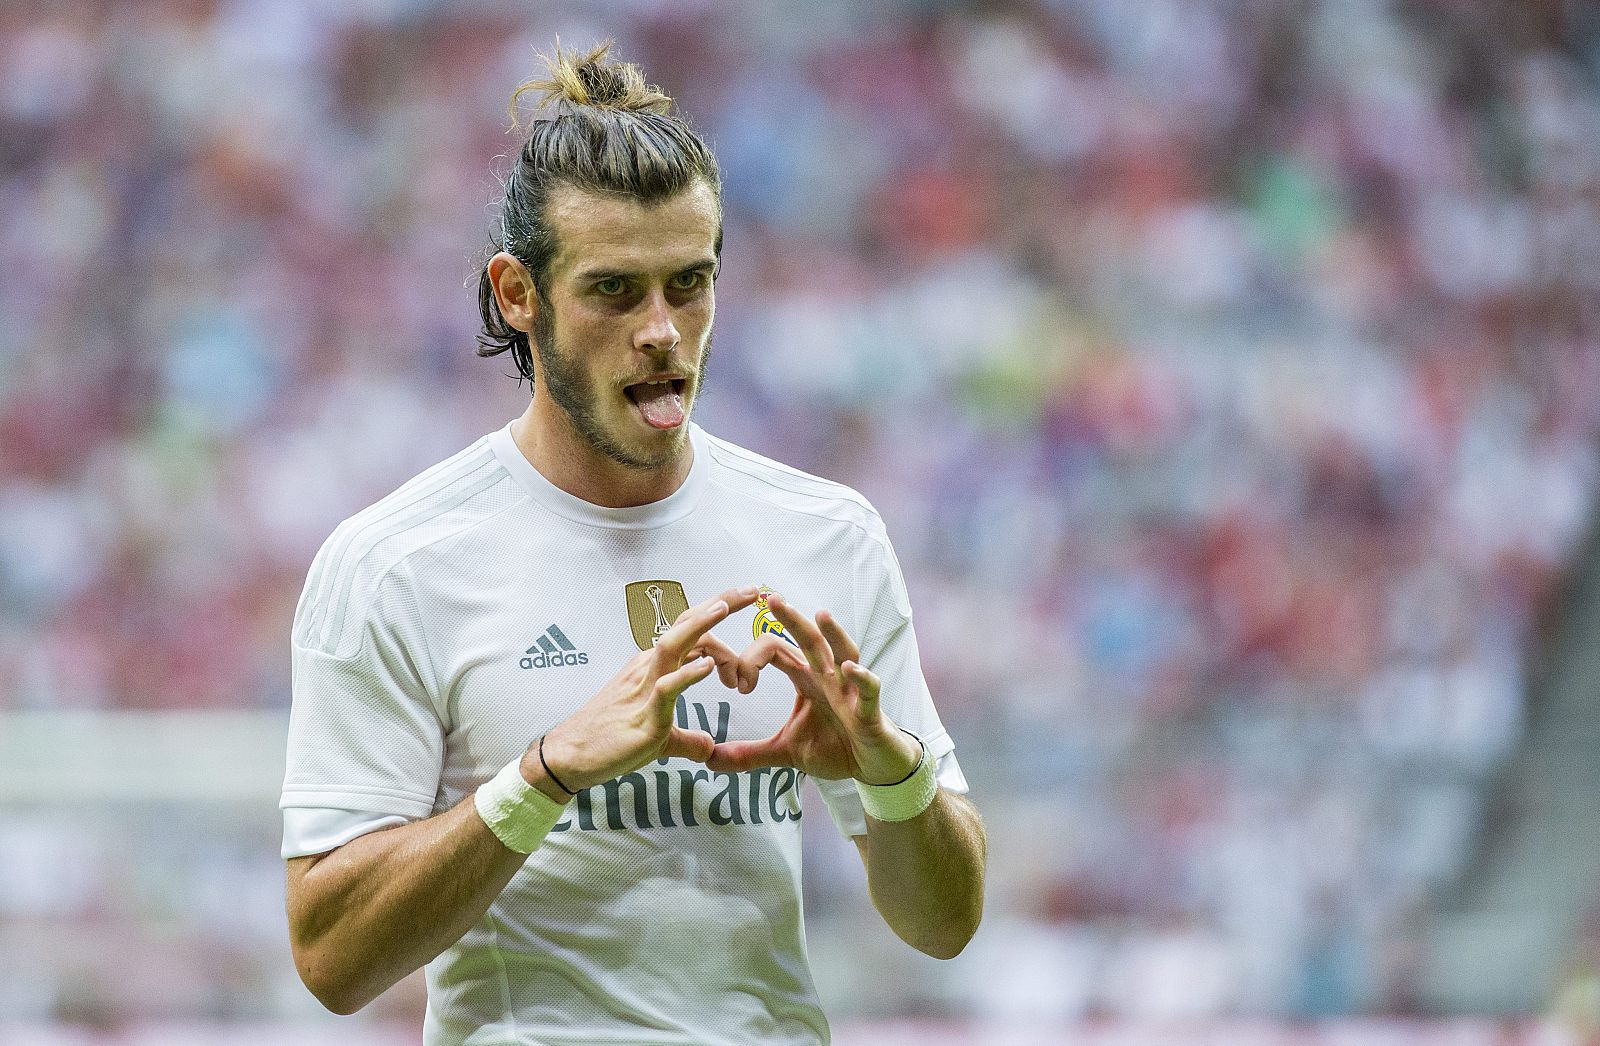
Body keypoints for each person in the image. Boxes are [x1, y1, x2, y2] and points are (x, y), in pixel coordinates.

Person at [281, 41, 987, 1046]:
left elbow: (945, 920)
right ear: (518, 294)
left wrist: (889, 770)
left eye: (689, 283)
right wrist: (543, 774)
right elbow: (332, 957)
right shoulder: (397, 563)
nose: (664, 329)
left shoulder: (825, 535)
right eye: (615, 290)